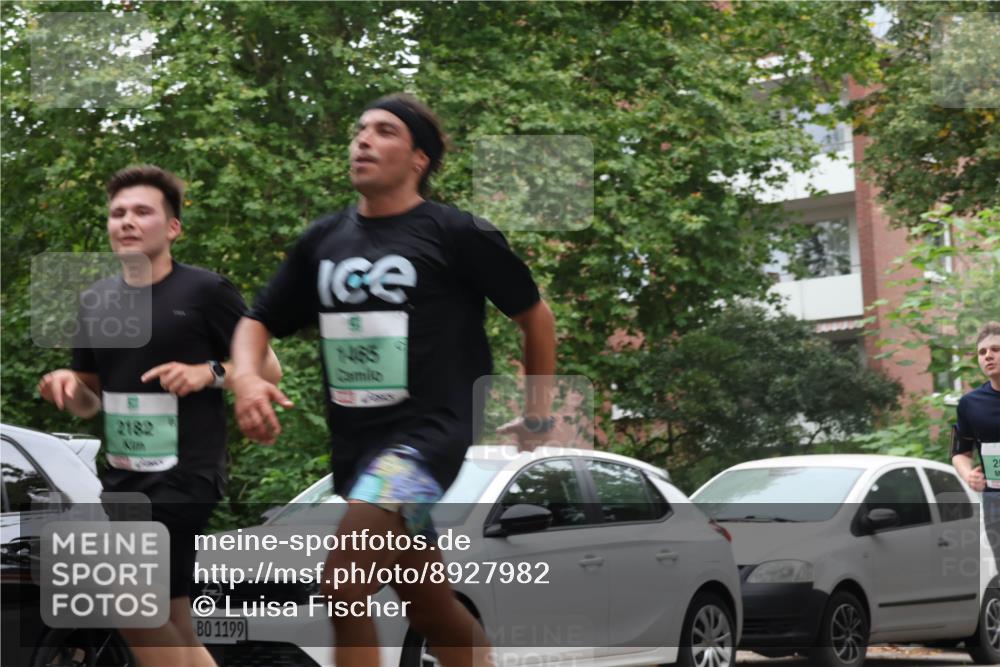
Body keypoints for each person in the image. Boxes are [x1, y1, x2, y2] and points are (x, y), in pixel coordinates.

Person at [229, 93, 557, 667]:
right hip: (357, 447)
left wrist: (536, 411)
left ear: (419, 159)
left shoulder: (455, 232)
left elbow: (535, 315)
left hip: (427, 440)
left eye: (384, 131)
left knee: (343, 583)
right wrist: (248, 382)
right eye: (359, 129)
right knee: (428, 604)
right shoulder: (324, 241)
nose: (362, 139)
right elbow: (257, 322)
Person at [38, 165, 282, 667]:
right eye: (117, 213)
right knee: (173, 623)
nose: (126, 221)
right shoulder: (96, 301)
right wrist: (68, 388)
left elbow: (268, 368)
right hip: (125, 476)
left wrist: (208, 373)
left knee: (132, 605)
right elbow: (93, 401)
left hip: (186, 472)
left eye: (142, 211)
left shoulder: (205, 292)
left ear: (172, 227)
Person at [951, 321, 1000, 585]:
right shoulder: (970, 404)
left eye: (995, 349)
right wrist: (969, 475)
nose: (988, 356)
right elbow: (959, 452)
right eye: (982, 352)